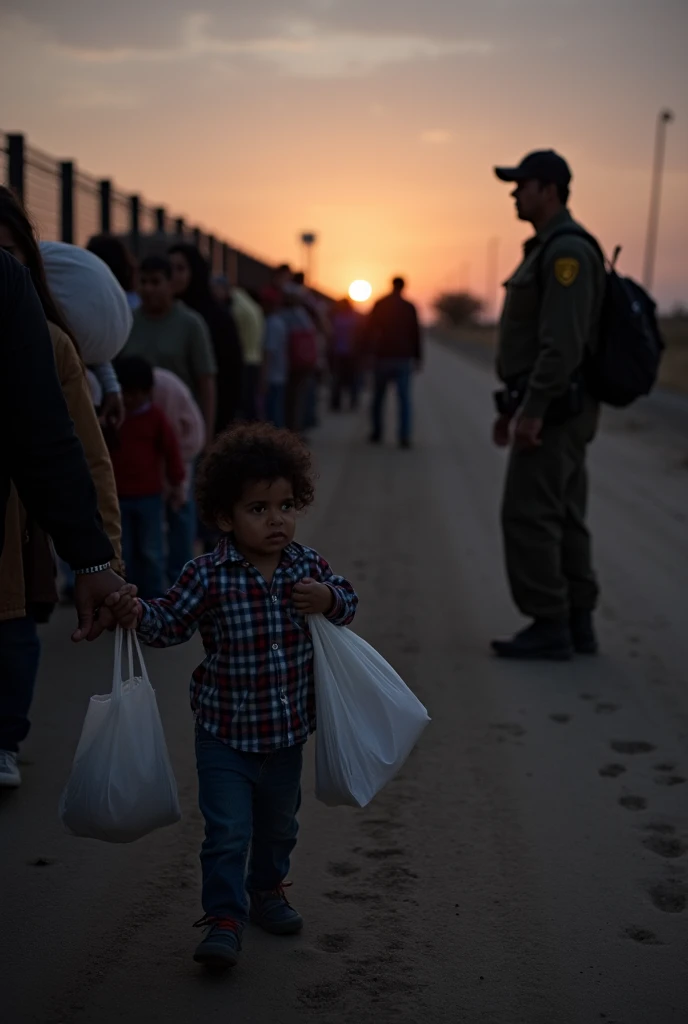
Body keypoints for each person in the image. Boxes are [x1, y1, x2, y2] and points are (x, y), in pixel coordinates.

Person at [106, 423, 358, 970]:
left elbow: (348, 602)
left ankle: (267, 890)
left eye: (287, 505)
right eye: (259, 508)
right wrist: (134, 612)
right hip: (223, 734)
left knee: (279, 827)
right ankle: (224, 916)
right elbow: (168, 623)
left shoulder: (306, 567)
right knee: (227, 832)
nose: (277, 519)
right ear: (225, 516)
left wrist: (329, 599)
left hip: (287, 735)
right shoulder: (208, 574)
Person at [0, 195, 125, 787]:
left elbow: (73, 450)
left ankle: (5, 740)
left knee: (14, 635)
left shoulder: (49, 344)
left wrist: (101, 559)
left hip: (20, 529)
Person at [491, 150, 606, 660]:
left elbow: (561, 345)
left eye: (522, 185)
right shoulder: (547, 248)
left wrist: (533, 410)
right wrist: (513, 405)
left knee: (529, 513)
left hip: (557, 407)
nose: (514, 193)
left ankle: (550, 622)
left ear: (550, 189)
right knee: (562, 513)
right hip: (556, 404)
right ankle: (577, 622)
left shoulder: (565, 253)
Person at [122, 255, 218, 445]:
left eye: (156, 282)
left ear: (171, 284)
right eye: (143, 282)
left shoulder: (191, 324)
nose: (148, 289)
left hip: (178, 430)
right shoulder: (126, 322)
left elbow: (205, 381)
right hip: (134, 431)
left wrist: (206, 434)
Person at [110, 356, 185, 598]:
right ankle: (128, 599)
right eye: (125, 393)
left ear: (147, 392)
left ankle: (154, 599)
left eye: (134, 393)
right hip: (118, 497)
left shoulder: (155, 418)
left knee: (151, 551)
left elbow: (172, 450)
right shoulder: (110, 419)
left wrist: (177, 481)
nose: (129, 399)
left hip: (149, 497)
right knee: (125, 553)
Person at [169, 245, 243, 435]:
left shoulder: (217, 318)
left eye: (180, 269)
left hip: (206, 420)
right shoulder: (154, 315)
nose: (174, 275)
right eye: (169, 269)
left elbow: (230, 375)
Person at [151, 364, 206, 584]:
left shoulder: (170, 393)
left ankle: (183, 579)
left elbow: (194, 437)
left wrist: (176, 479)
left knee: (181, 516)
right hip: (150, 474)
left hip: (181, 462)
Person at [366, 277, 422, 449]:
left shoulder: (380, 304)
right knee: (404, 399)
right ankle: (404, 436)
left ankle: (377, 432)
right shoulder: (409, 307)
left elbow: (369, 329)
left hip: (383, 357)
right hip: (403, 358)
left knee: (378, 398)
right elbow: (416, 334)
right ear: (404, 287)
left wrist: (368, 354)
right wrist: (418, 357)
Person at [213, 275, 265, 421]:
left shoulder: (235, 309)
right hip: (253, 357)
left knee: (243, 406)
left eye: (215, 289)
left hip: (244, 360)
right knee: (250, 404)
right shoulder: (248, 303)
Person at [329, 297, 363, 412]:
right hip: (350, 353)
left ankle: (336, 404)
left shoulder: (336, 318)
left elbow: (331, 336)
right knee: (352, 380)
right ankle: (353, 403)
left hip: (339, 352)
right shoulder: (355, 318)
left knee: (338, 380)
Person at [262, 291, 289, 428]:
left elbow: (268, 352)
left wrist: (263, 378)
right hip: (280, 374)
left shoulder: (271, 324)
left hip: (272, 376)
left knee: (272, 415)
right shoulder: (280, 322)